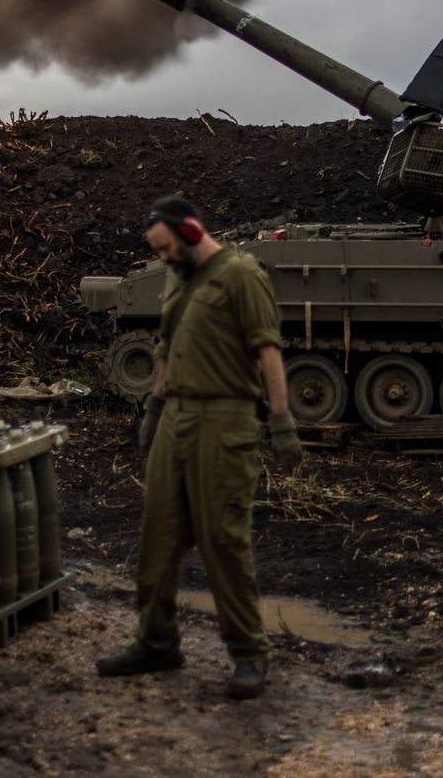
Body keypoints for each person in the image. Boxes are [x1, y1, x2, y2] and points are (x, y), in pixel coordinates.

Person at [96, 195, 304, 700]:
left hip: (225, 419)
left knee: (222, 540)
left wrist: (281, 422)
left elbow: (268, 349)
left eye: (167, 249)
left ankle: (250, 653)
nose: (163, 259)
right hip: (177, 419)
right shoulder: (178, 278)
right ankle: (157, 641)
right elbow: (166, 349)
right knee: (158, 534)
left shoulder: (241, 274)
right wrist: (153, 409)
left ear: (190, 232)